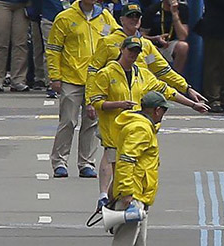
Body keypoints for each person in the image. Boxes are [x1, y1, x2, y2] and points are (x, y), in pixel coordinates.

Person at [86, 36, 207, 206]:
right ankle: (112, 204)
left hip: (136, 132)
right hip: (114, 131)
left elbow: (166, 91)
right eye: (130, 51)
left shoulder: (142, 74)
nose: (133, 55)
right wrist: (119, 104)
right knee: (119, 172)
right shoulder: (106, 73)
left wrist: (192, 103)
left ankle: (113, 207)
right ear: (122, 50)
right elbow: (97, 101)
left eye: (137, 52)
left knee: (133, 173)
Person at [89, 90, 170, 246]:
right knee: (124, 244)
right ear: (156, 110)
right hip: (133, 195)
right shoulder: (140, 128)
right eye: (163, 111)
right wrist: (126, 194)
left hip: (139, 194)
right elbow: (126, 161)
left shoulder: (140, 125)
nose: (163, 115)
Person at [47, 0, 117, 178]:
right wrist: (55, 76)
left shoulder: (105, 17)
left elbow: (117, 38)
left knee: (92, 122)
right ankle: (60, 161)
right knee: (68, 121)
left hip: (96, 79)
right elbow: (53, 49)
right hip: (71, 77)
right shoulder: (65, 17)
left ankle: (86, 162)